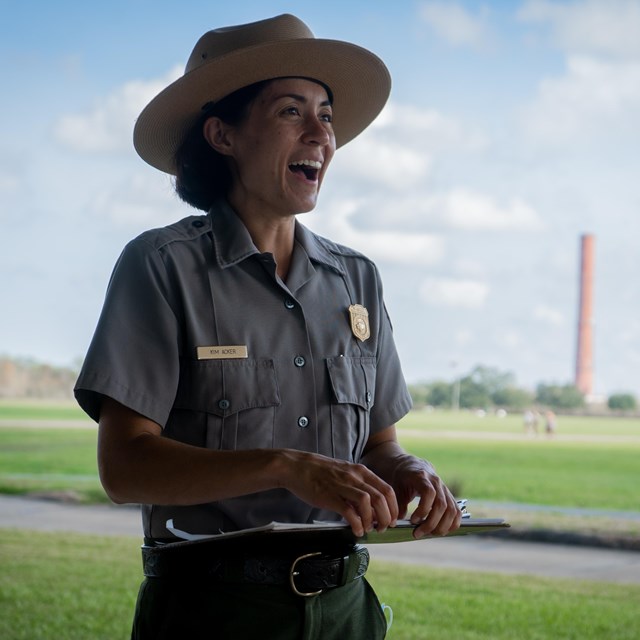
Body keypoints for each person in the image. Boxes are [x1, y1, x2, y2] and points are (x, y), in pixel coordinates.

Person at [74, 14, 461, 639]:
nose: (321, 135)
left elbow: (379, 448)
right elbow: (124, 468)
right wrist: (286, 465)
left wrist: (412, 473)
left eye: (327, 114)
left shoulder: (357, 280)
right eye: (291, 112)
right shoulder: (161, 266)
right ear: (223, 135)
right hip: (211, 612)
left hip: (346, 611)